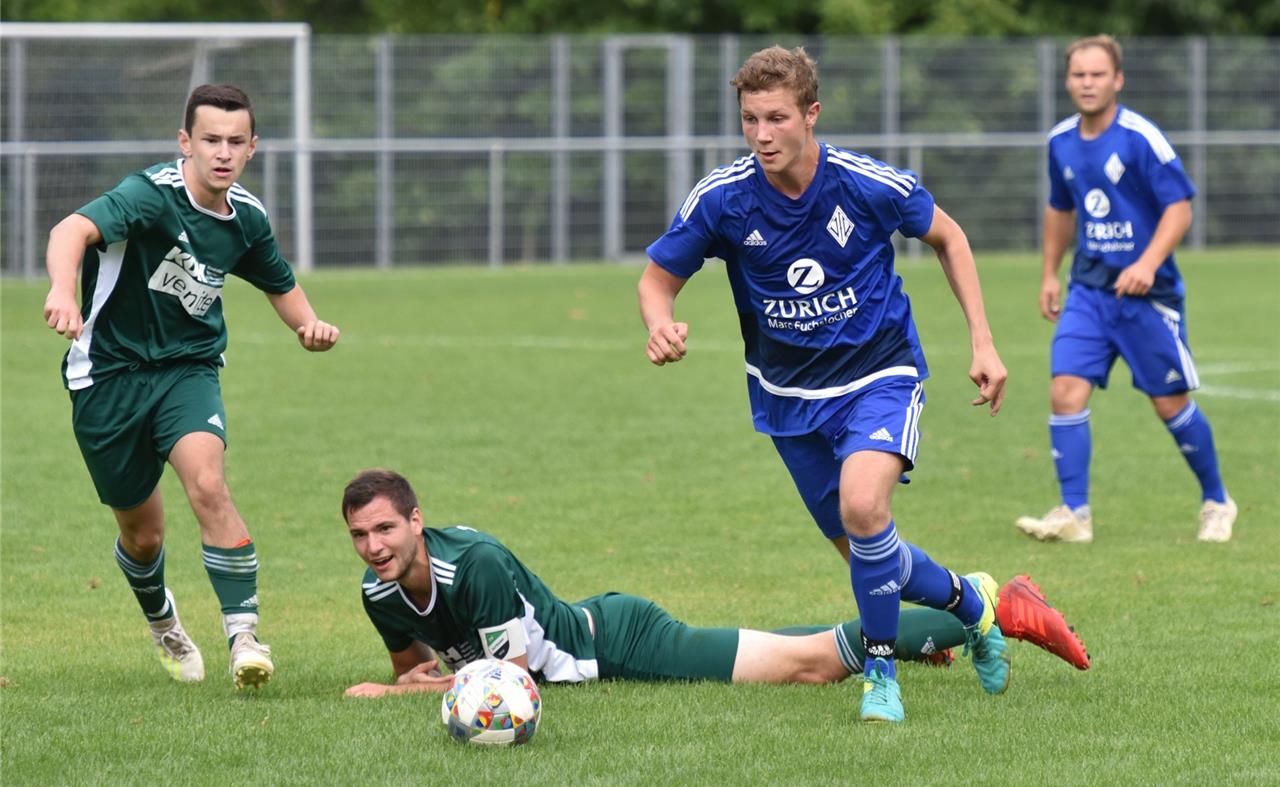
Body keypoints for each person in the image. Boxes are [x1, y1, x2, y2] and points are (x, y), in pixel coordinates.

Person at [636, 46, 1010, 723]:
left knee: (864, 509)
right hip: (789, 401)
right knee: (870, 552)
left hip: (880, 376)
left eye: (777, 118)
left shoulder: (865, 183)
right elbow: (657, 279)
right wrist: (660, 322)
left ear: (811, 114)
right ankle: (971, 601)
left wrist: (983, 342)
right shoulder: (723, 199)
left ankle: (881, 675)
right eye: (749, 120)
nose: (762, 135)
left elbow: (949, 238)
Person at [42, 84, 340, 689]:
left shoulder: (246, 218)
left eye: (235, 141)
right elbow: (69, 230)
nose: (222, 152)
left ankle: (245, 637)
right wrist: (60, 291)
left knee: (208, 481)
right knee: (143, 534)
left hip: (188, 369)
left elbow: (279, 282)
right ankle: (163, 622)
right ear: (187, 142)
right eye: (210, 140)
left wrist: (307, 324)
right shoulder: (149, 197)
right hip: (106, 377)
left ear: (252, 147)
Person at [340, 470, 1088, 700]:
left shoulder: (475, 565)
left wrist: (400, 696)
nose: (374, 548)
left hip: (621, 643)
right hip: (604, 640)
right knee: (790, 645)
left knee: (811, 665)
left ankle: (988, 603)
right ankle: (932, 632)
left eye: (385, 529)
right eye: (360, 537)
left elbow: (513, 680)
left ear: (416, 521)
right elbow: (421, 671)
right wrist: (408, 686)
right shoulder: (378, 594)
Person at [1015, 35, 1236, 545]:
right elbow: (1060, 209)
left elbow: (1180, 208)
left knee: (1170, 404)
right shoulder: (1060, 141)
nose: (1087, 83)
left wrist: (1147, 263)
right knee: (1065, 390)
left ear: (1118, 80)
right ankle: (1075, 514)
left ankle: (1217, 501)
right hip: (1089, 292)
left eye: (1097, 75)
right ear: (1068, 80)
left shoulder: (1141, 138)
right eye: (1079, 75)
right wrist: (1050, 272)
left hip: (1146, 297)